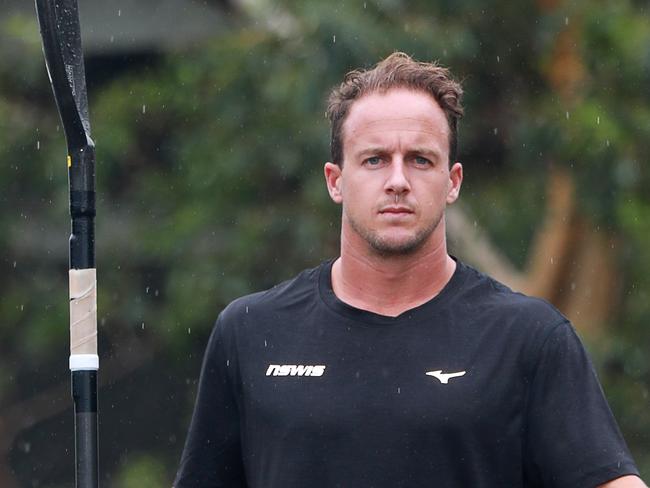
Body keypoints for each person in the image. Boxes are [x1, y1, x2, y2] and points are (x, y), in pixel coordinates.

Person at [174, 52, 646, 488]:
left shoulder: (528, 339)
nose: (398, 181)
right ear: (335, 180)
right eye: (374, 159)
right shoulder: (253, 332)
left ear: (452, 181)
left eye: (420, 160)